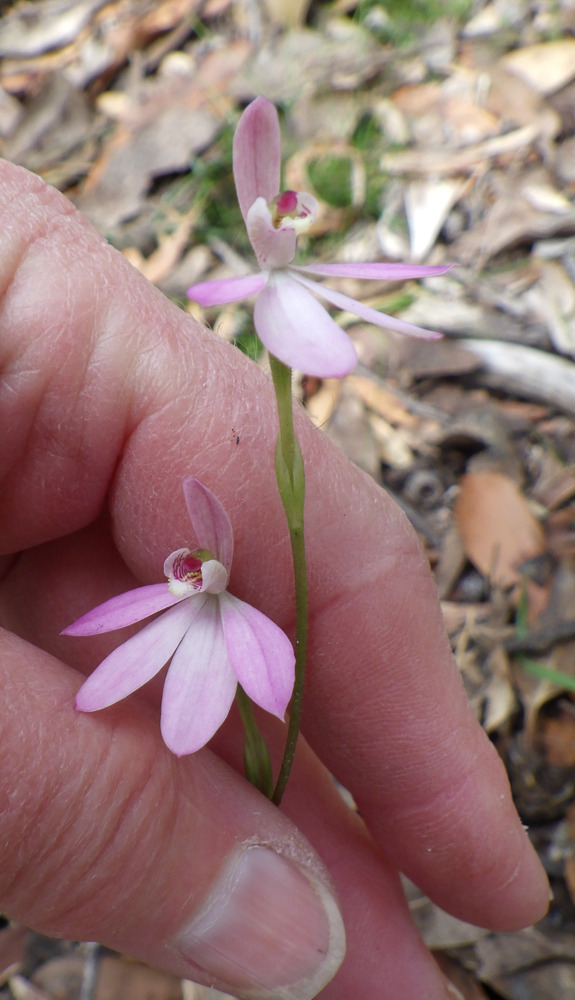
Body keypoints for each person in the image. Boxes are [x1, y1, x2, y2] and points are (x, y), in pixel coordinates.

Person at [0, 158, 548, 1000]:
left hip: (228, 601)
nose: (189, 566)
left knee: (264, 722)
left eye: (285, 210)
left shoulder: (238, 609)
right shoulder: (192, 592)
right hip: (199, 619)